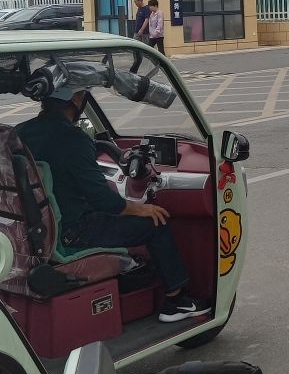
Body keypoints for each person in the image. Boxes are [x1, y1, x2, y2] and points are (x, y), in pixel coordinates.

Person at [17, 87, 210, 322]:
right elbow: (103, 200)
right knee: (156, 223)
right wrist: (141, 208)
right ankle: (176, 301)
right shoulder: (73, 139)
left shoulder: (20, 133)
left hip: (33, 233)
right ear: (76, 98)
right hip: (73, 232)